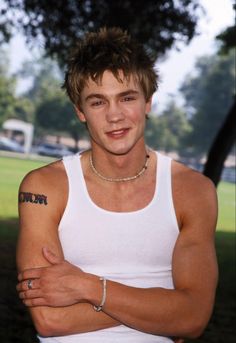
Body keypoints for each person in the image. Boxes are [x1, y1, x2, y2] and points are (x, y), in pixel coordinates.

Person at [16, 27, 218, 343]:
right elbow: (50, 319)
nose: (114, 116)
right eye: (98, 102)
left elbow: (192, 319)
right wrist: (163, 305)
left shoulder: (192, 191)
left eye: (127, 98)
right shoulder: (44, 187)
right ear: (80, 111)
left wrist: (86, 286)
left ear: (148, 102)